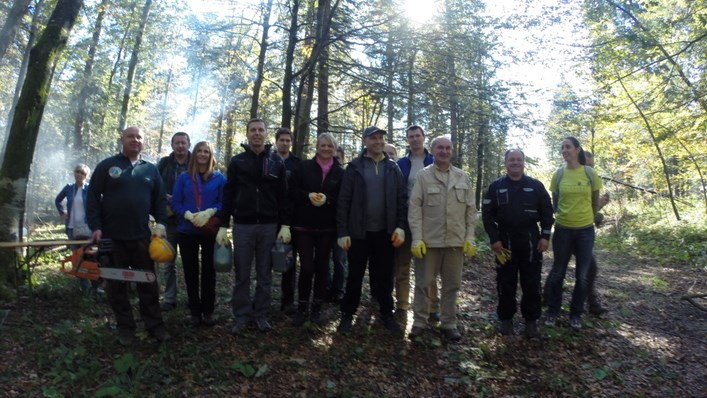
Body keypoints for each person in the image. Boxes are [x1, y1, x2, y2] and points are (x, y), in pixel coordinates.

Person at [86, 126, 169, 346]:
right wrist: (95, 226)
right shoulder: (107, 166)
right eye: (130, 136)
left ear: (144, 142)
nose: (135, 140)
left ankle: (155, 325)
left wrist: (160, 224)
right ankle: (125, 327)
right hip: (112, 238)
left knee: (148, 283)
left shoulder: (150, 169)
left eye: (139, 137)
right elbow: (93, 197)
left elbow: (160, 200)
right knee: (116, 284)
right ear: (122, 139)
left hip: (143, 237)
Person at [216, 118, 292, 335]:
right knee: (242, 273)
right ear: (248, 134)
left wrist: (285, 224)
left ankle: (261, 315)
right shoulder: (238, 161)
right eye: (253, 130)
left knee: (265, 274)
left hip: (269, 225)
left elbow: (284, 196)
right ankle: (241, 315)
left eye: (260, 130)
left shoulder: (277, 161)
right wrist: (223, 224)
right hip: (243, 226)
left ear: (266, 134)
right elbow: (229, 194)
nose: (257, 133)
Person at [336, 126, 407, 333]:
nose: (378, 142)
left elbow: (402, 200)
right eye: (373, 138)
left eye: (381, 138)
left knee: (384, 276)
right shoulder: (355, 167)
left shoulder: (393, 168)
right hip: (358, 233)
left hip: (386, 233)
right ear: (365, 141)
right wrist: (343, 231)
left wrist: (401, 227)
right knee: (355, 275)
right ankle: (347, 314)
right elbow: (344, 200)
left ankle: (386, 313)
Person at [408, 135, 477, 341]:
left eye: (448, 148)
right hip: (429, 242)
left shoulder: (462, 177)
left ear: (452, 151)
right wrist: (417, 238)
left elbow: (470, 210)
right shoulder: (423, 176)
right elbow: (414, 208)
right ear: (433, 150)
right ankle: (419, 322)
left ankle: (449, 323)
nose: (444, 151)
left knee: (452, 285)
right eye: (440, 148)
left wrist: (470, 237)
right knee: (422, 284)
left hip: (455, 242)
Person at [481, 149, 554, 338]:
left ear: (523, 162)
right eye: (511, 160)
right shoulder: (496, 187)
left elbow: (547, 213)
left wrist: (545, 237)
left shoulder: (536, 186)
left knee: (532, 283)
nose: (515, 162)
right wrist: (494, 239)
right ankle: (506, 320)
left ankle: (531, 322)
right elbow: (487, 215)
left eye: (518, 159)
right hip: (505, 242)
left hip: (531, 242)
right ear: (505, 163)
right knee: (506, 282)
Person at [544, 137, 603, 330]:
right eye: (562, 148)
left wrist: (589, 217)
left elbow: (595, 202)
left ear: (577, 150)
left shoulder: (590, 173)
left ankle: (575, 314)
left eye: (567, 147)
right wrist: (563, 216)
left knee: (582, 275)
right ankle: (553, 311)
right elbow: (555, 201)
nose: (564, 150)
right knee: (558, 272)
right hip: (563, 230)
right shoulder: (558, 174)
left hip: (585, 231)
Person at [290, 133, 344, 326]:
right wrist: (308, 196)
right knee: (306, 267)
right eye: (323, 145)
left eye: (330, 146)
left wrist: (328, 199)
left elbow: (342, 199)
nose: (326, 149)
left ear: (335, 148)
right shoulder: (304, 166)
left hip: (327, 227)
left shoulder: (340, 172)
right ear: (317, 147)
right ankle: (302, 307)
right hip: (304, 225)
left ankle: (316, 308)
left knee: (322, 267)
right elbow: (292, 191)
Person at [171, 141, 226, 327]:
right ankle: (194, 311)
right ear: (194, 154)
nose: (202, 154)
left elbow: (224, 203)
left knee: (209, 271)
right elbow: (176, 202)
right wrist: (186, 214)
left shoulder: (219, 178)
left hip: (209, 229)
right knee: (190, 270)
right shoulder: (185, 178)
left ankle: (208, 310)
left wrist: (210, 211)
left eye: (206, 152)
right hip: (187, 231)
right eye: (200, 151)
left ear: (211, 155)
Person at [394, 125, 439, 322]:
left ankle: (432, 307)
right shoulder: (401, 164)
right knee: (402, 265)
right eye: (411, 136)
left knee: (428, 267)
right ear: (407, 140)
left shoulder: (434, 161)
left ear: (423, 138)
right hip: (405, 221)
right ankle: (402, 305)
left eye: (417, 135)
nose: (414, 139)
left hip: (429, 221)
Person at [157, 132, 191, 312]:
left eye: (183, 143)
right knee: (168, 261)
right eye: (177, 143)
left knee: (189, 262)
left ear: (188, 144)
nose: (180, 146)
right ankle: (170, 298)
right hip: (169, 219)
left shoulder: (196, 162)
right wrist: (165, 196)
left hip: (190, 220)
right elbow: (154, 185)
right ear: (172, 145)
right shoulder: (164, 164)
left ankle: (192, 297)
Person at [55, 163, 97, 292]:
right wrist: (62, 212)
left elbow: (97, 204)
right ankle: (85, 288)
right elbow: (57, 200)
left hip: (87, 228)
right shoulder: (69, 188)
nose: (79, 175)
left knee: (90, 256)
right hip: (72, 228)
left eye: (83, 173)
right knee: (76, 258)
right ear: (74, 173)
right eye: (77, 172)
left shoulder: (90, 189)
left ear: (86, 176)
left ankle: (96, 286)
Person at [274, 127, 301, 314]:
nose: (285, 143)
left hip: (291, 218)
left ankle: (288, 300)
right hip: (269, 217)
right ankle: (262, 298)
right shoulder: (268, 160)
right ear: (276, 141)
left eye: (288, 140)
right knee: (265, 259)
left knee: (289, 260)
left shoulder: (298, 163)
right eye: (282, 140)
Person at [582, 151, 610, 315]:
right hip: (569, 232)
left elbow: (589, 212)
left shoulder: (591, 180)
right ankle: (548, 300)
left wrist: (599, 207)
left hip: (583, 233)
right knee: (560, 268)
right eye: (587, 164)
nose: (590, 168)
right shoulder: (573, 178)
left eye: (592, 165)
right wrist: (598, 207)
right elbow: (581, 210)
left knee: (589, 268)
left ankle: (592, 304)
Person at [326, 146, 348, 302]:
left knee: (340, 260)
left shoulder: (346, 176)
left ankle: (338, 289)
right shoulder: (324, 175)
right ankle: (326, 287)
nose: (335, 161)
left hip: (340, 226)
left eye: (338, 158)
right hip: (325, 225)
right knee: (323, 259)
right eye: (333, 158)